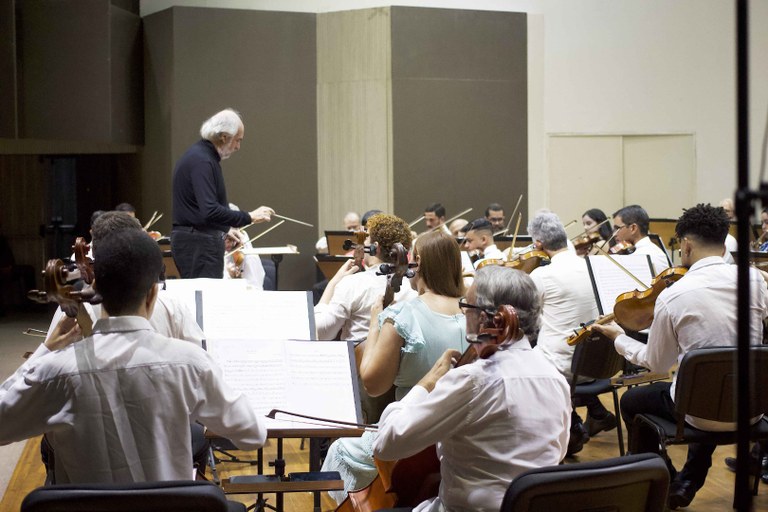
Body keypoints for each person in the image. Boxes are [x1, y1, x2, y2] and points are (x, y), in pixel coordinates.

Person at [0, 229, 267, 484]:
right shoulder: (190, 363)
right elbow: (252, 434)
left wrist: (45, 352)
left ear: (94, 287)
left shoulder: (55, 370)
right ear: (153, 293)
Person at [591, 203, 768, 509]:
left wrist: (619, 338)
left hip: (698, 413)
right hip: (752, 407)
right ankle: (691, 477)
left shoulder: (674, 295)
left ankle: (667, 479)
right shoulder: (755, 281)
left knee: (633, 401)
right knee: (713, 383)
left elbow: (656, 363)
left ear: (685, 245)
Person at [373, 265, 571, 512]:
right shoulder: (554, 376)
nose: (463, 314)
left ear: (486, 317)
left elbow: (387, 444)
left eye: (466, 307)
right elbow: (558, 450)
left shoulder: (473, 380)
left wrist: (426, 383)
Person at [322, 231, 467, 504]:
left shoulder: (402, 315)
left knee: (340, 450)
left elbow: (373, 385)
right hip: (458, 430)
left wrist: (377, 319)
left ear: (419, 263)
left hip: (413, 433)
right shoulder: (470, 311)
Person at [47, 211, 205, 348]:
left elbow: (50, 361)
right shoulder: (171, 306)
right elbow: (197, 357)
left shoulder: (72, 312)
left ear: (94, 254)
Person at [527, 210, 614, 455]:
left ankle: (566, 429)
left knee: (518, 356)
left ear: (538, 244)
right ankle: (575, 424)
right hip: (600, 365)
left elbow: (529, 320)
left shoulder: (542, 274)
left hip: (563, 369)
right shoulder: (593, 266)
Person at [171, 108, 274, 278]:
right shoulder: (202, 161)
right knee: (207, 300)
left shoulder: (200, 156)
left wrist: (225, 228)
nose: (238, 147)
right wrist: (249, 217)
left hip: (195, 241)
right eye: (237, 140)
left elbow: (199, 209)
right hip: (198, 244)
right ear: (224, 137)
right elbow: (210, 210)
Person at [314, 213, 417, 342]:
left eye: (366, 238)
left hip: (358, 362)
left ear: (375, 248)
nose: (361, 244)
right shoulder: (414, 289)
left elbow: (320, 333)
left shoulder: (352, 284)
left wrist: (333, 283)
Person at [612, 204, 670, 274]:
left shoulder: (639, 257)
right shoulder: (655, 250)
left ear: (633, 228)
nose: (614, 234)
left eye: (617, 228)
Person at [223, 204, 266, 289]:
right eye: (224, 237)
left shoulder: (246, 253)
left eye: (231, 239)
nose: (228, 243)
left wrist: (236, 281)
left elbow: (255, 287)